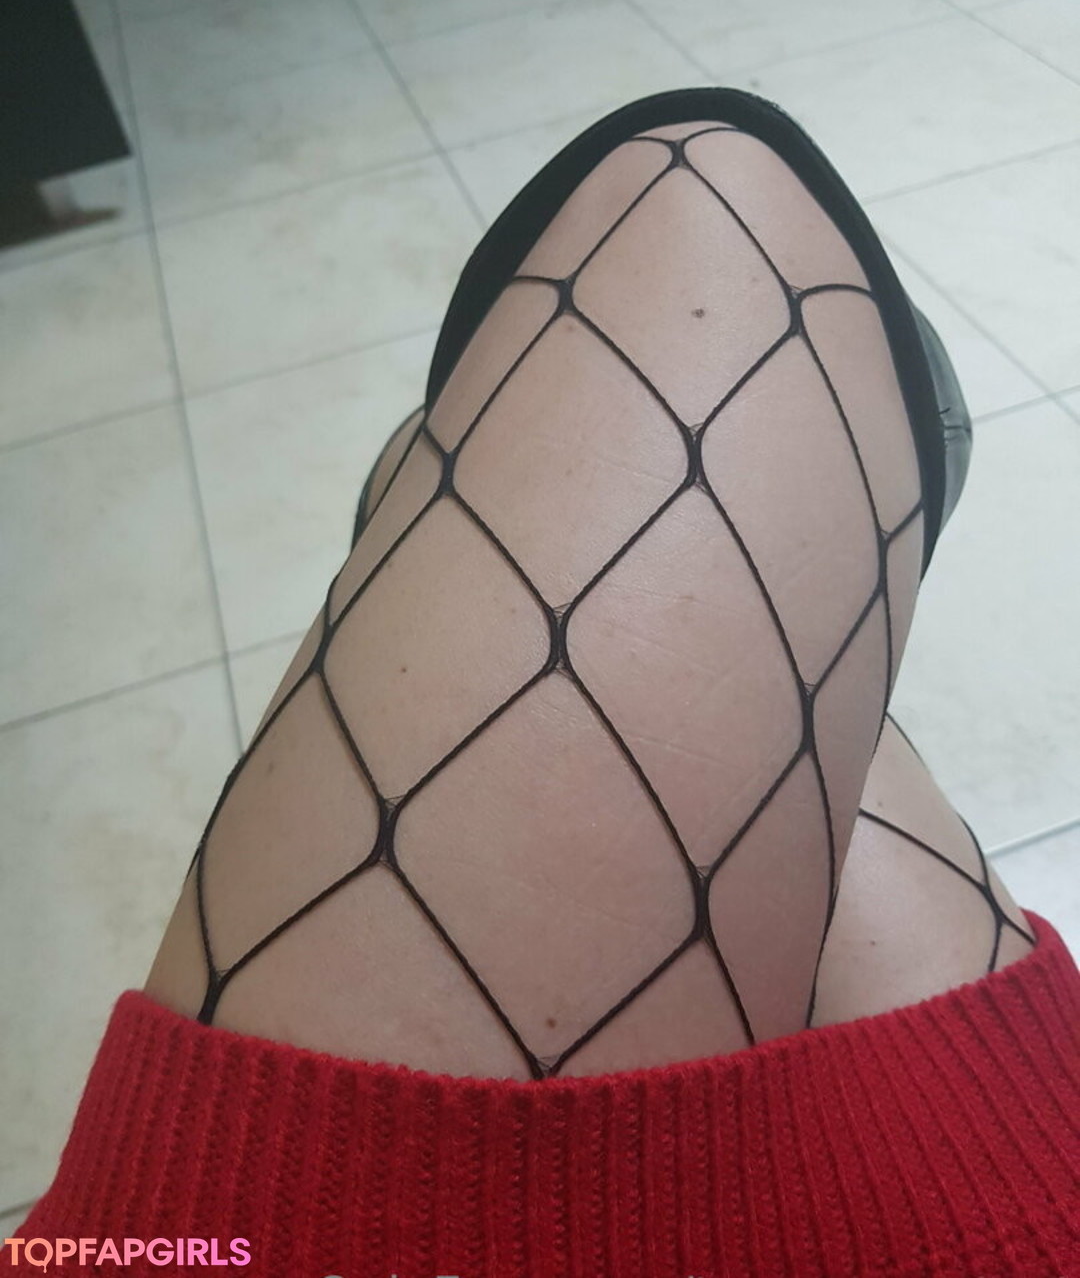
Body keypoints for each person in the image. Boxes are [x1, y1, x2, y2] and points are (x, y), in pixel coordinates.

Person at [9, 91, 1078, 1278]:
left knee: (698, 198)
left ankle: (453, 507)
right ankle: (770, 561)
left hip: (253, 1238)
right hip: (1014, 1201)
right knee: (709, 213)